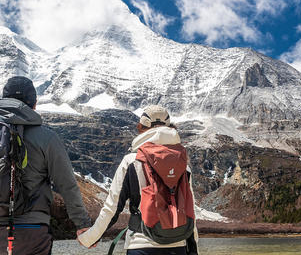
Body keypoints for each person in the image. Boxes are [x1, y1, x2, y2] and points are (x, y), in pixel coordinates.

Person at [77, 105, 198, 255]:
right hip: (178, 246)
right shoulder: (183, 164)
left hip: (141, 245)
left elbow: (112, 208)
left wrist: (89, 238)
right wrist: (193, 249)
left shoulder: (131, 161)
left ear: (141, 127)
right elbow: (189, 209)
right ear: (169, 127)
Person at [0, 76, 91, 255]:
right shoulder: (47, 138)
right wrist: (82, 224)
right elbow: (67, 184)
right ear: (34, 104)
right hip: (33, 231)